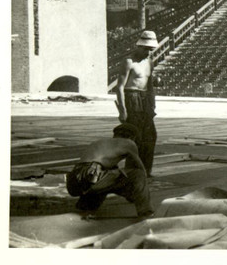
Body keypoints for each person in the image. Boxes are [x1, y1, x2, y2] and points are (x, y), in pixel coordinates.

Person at [65, 123, 153, 219]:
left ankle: (85, 206)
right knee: (138, 174)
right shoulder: (129, 143)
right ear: (132, 137)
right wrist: (141, 187)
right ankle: (146, 213)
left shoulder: (99, 142)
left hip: (74, 181)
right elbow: (140, 168)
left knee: (111, 174)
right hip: (92, 175)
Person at [116, 29, 158, 176]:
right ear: (139, 46)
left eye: (151, 49)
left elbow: (150, 85)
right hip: (131, 98)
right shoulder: (129, 62)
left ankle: (146, 170)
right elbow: (120, 86)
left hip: (145, 99)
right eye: (146, 49)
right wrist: (122, 110)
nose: (148, 52)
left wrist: (152, 104)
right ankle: (133, 170)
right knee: (135, 137)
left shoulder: (150, 63)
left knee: (150, 136)